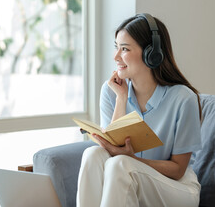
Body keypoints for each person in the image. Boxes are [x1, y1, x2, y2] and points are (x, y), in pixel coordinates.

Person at [76, 13, 202, 207]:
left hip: (177, 187)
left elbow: (178, 169)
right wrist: (121, 98)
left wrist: (131, 160)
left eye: (124, 49)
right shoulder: (111, 92)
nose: (116, 56)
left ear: (151, 54)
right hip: (127, 173)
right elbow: (112, 148)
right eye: (116, 47)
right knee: (92, 155)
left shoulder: (183, 99)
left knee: (121, 165)